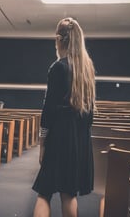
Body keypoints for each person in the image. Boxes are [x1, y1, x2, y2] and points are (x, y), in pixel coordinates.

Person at [32, 17, 96, 217]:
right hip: (80, 138)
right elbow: (90, 115)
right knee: (69, 194)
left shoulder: (58, 67)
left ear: (59, 39)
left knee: (44, 193)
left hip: (60, 137)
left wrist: (42, 143)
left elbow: (48, 109)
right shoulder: (87, 69)